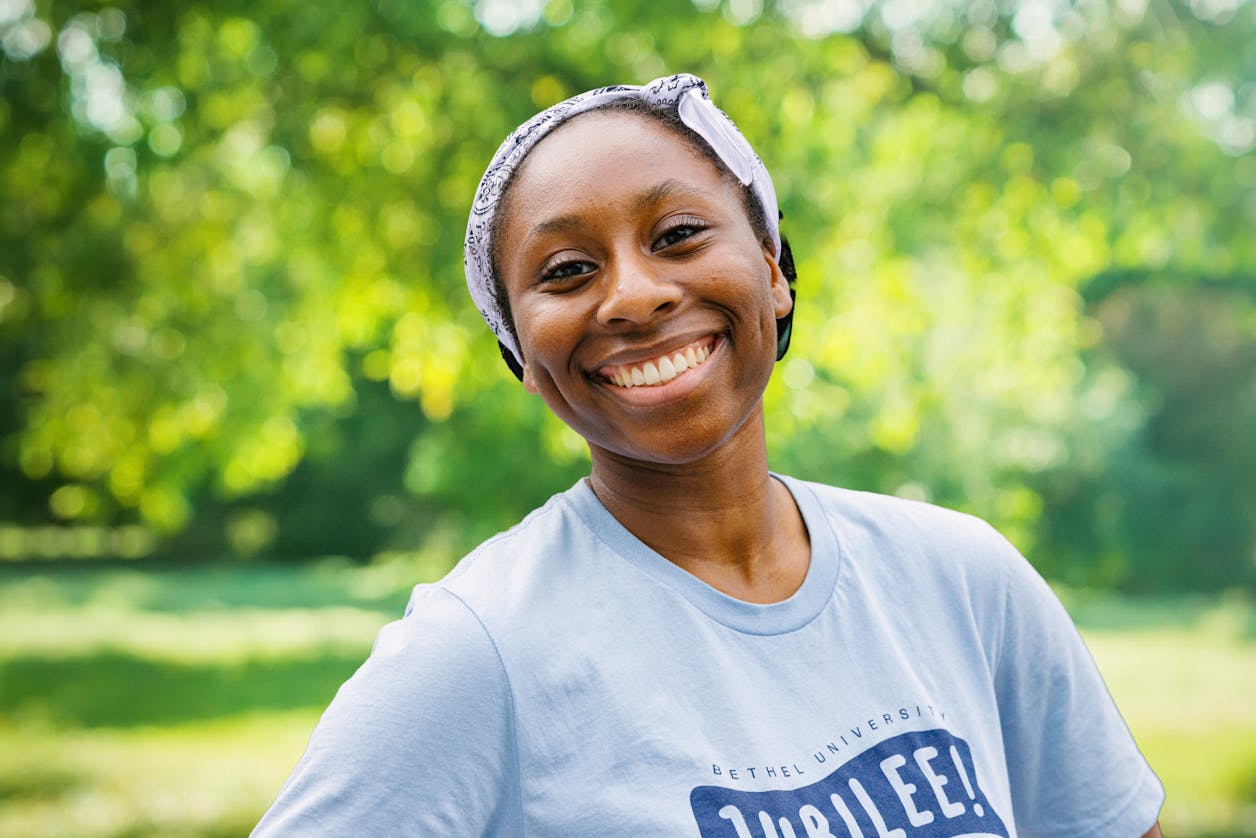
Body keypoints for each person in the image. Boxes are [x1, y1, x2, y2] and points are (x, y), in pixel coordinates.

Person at [254, 73, 1164, 837]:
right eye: (567, 271)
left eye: (678, 235)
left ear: (772, 270)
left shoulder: (963, 580)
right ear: (520, 353)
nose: (634, 295)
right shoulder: (478, 651)